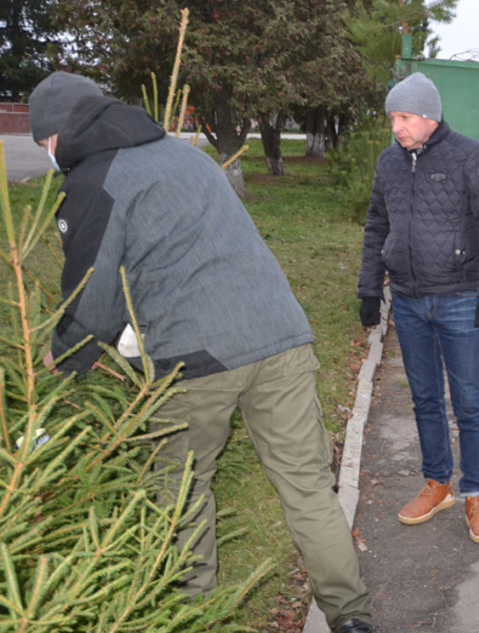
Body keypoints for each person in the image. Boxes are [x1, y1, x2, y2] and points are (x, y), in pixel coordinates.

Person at [29, 71, 373, 633]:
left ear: (59, 135)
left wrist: (62, 357)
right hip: (281, 335)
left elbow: (92, 296)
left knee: (181, 493)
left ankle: (193, 618)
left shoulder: (96, 180)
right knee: (308, 488)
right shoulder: (182, 154)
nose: (46, 154)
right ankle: (352, 618)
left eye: (43, 143)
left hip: (195, 358)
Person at [357, 72, 479, 545]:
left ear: (429, 116)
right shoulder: (389, 164)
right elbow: (375, 227)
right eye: (392, 119)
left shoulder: (471, 157)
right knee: (424, 398)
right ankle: (438, 482)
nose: (396, 128)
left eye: (403, 118)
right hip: (407, 299)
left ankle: (477, 493)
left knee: (469, 403)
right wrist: (369, 288)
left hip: (461, 298)